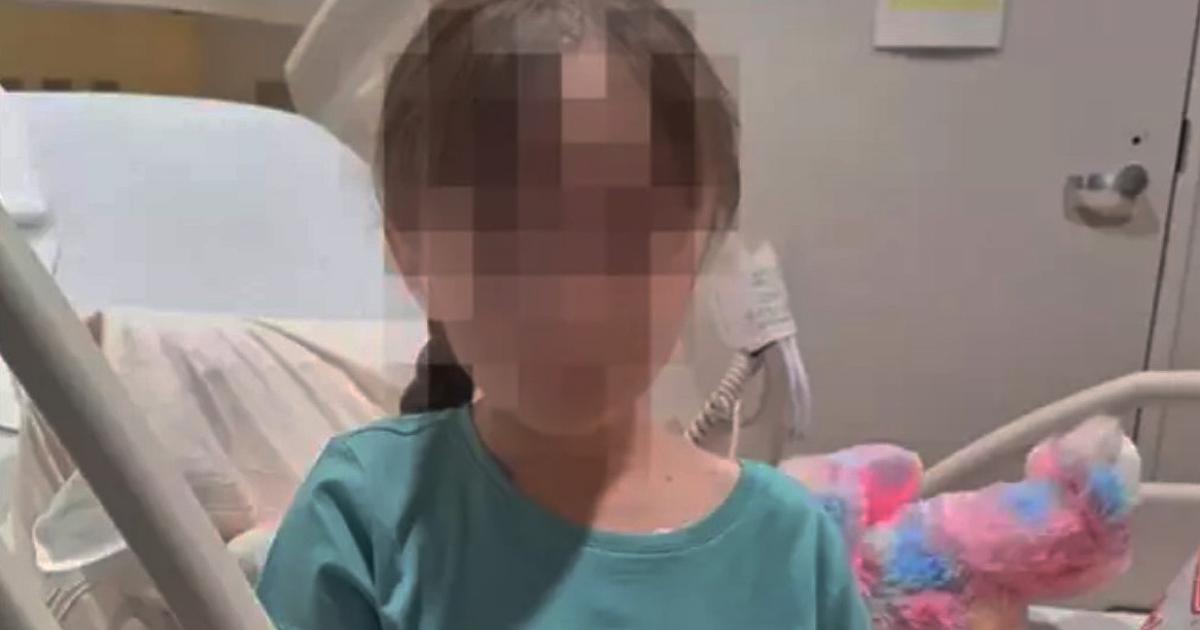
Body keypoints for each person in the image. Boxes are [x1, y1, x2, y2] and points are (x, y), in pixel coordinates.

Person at [256, 0, 870, 628]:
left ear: (701, 239)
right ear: (413, 255)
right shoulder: (363, 518)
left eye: (630, 231)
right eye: (506, 235)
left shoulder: (791, 549)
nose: (575, 303)